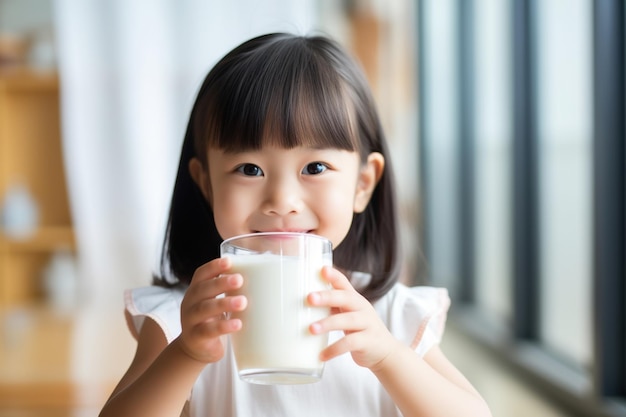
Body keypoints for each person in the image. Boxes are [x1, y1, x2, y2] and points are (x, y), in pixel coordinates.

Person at [100, 33, 492, 417]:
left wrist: (388, 357)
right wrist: (186, 353)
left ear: (362, 183)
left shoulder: (392, 317)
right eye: (249, 169)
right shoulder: (185, 319)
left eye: (315, 167)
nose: (282, 202)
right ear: (206, 184)